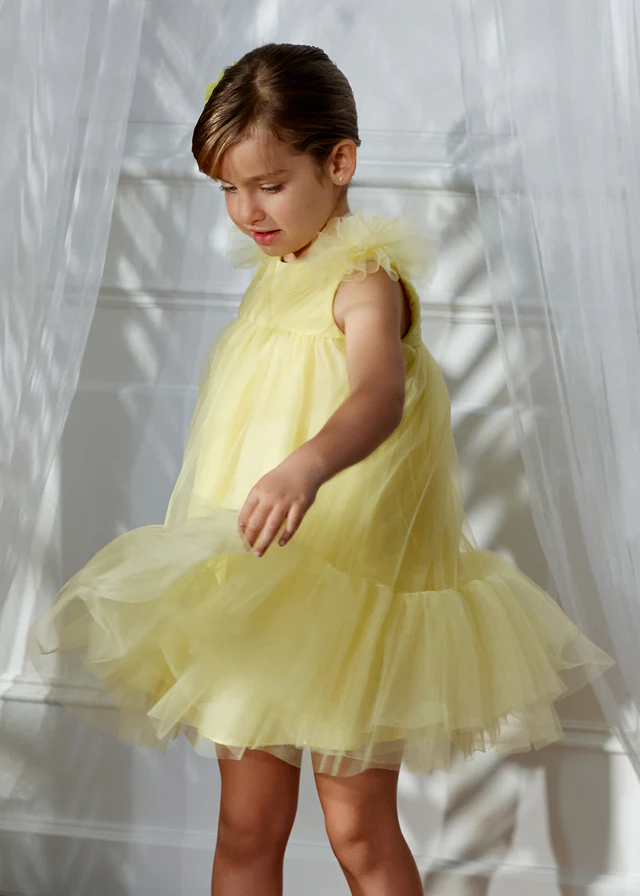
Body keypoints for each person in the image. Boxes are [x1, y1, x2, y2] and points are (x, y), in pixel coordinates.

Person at [28, 42, 616, 896]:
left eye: (269, 184)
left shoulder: (365, 281)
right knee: (246, 824)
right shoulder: (276, 272)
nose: (247, 211)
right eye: (229, 189)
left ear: (338, 163)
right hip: (257, 579)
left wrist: (305, 467)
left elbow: (378, 396)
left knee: (357, 830)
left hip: (354, 590)